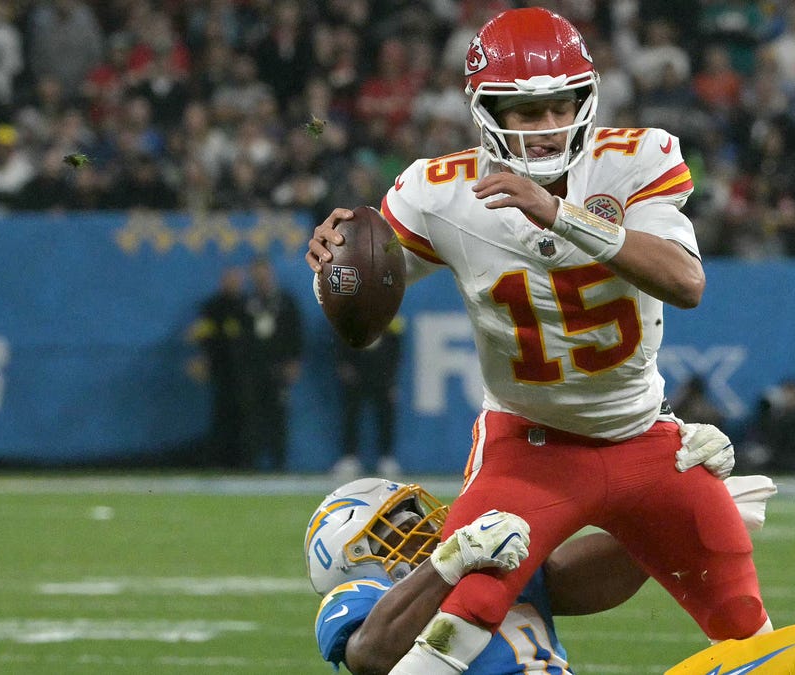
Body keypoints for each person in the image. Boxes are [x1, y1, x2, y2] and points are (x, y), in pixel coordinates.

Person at [305, 9, 769, 671]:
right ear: (486, 111)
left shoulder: (638, 157)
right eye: (524, 112)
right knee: (458, 614)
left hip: (642, 435)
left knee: (745, 615)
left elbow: (685, 281)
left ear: (586, 100)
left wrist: (561, 214)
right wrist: (332, 268)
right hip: (527, 446)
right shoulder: (437, 191)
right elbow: (363, 294)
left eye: (560, 105)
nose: (547, 125)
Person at [305, 473, 795, 674]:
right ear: (351, 552)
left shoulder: (483, 558)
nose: (418, 523)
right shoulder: (360, 598)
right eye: (395, 522)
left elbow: (581, 577)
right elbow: (371, 654)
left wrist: (683, 513)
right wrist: (446, 565)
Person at [187, 265, 255, 469]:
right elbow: (202, 336)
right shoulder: (213, 307)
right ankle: (220, 461)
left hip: (244, 373)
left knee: (245, 417)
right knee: (221, 416)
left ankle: (245, 462)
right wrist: (203, 359)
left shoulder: (248, 306)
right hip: (221, 372)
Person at [246, 257, 303, 471]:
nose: (261, 279)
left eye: (264, 274)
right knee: (252, 416)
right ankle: (250, 463)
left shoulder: (285, 302)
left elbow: (295, 333)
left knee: (278, 415)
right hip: (253, 369)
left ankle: (279, 463)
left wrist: (294, 361)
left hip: (278, 367)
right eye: (257, 275)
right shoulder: (247, 303)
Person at [331, 316, 405, 479]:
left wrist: (392, 378)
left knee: (385, 416)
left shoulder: (391, 313)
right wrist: (343, 363)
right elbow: (340, 336)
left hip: (381, 375)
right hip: (356, 372)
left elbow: (396, 346)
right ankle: (350, 457)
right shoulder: (351, 311)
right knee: (351, 415)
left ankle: (386, 457)